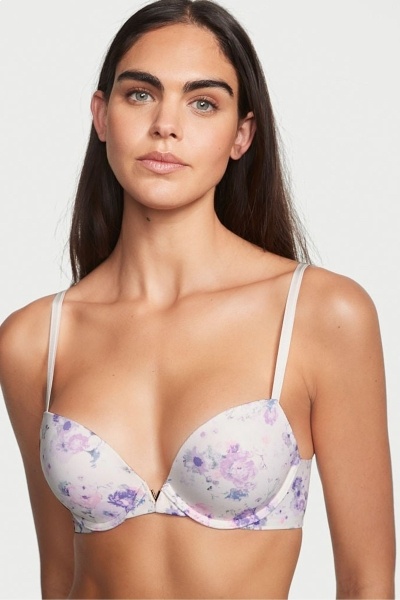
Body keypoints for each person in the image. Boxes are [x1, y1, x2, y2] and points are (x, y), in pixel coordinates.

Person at [0, 0, 395, 598]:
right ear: (101, 115)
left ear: (241, 135)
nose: (166, 124)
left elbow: (367, 582)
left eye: (203, 102)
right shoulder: (35, 340)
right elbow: (58, 578)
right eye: (140, 94)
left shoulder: (319, 314)